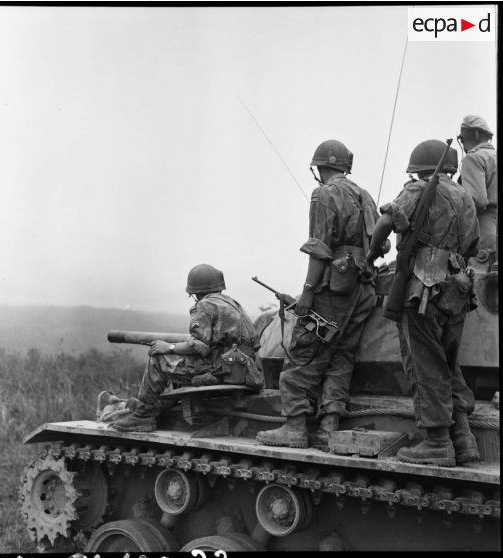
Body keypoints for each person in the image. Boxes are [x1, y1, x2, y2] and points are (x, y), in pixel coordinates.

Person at [256, 140, 387, 449]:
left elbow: (319, 249)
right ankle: (329, 425)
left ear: (320, 167)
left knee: (304, 352)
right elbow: (380, 244)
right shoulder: (364, 195)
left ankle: (295, 427)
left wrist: (307, 293)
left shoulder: (324, 193)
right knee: (341, 356)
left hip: (334, 288)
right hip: (364, 288)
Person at [366, 139, 480, 467]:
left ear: (419, 169)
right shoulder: (466, 197)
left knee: (425, 363)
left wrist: (374, 254)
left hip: (423, 287)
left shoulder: (417, 190)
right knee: (447, 363)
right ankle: (462, 436)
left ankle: (437, 443)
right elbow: (472, 243)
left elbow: (386, 221)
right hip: (458, 289)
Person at [110, 263, 262, 432]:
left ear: (194, 291)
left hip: (220, 371)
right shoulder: (233, 304)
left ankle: (144, 414)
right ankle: (161, 404)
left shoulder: (204, 306)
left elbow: (198, 346)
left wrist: (169, 347)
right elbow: (254, 344)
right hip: (243, 371)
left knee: (159, 359)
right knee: (183, 363)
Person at [457, 115, 497, 269]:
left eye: (462, 138)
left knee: (479, 285)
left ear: (475, 134)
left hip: (484, 229)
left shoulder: (473, 159)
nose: (463, 144)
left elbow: (478, 201)